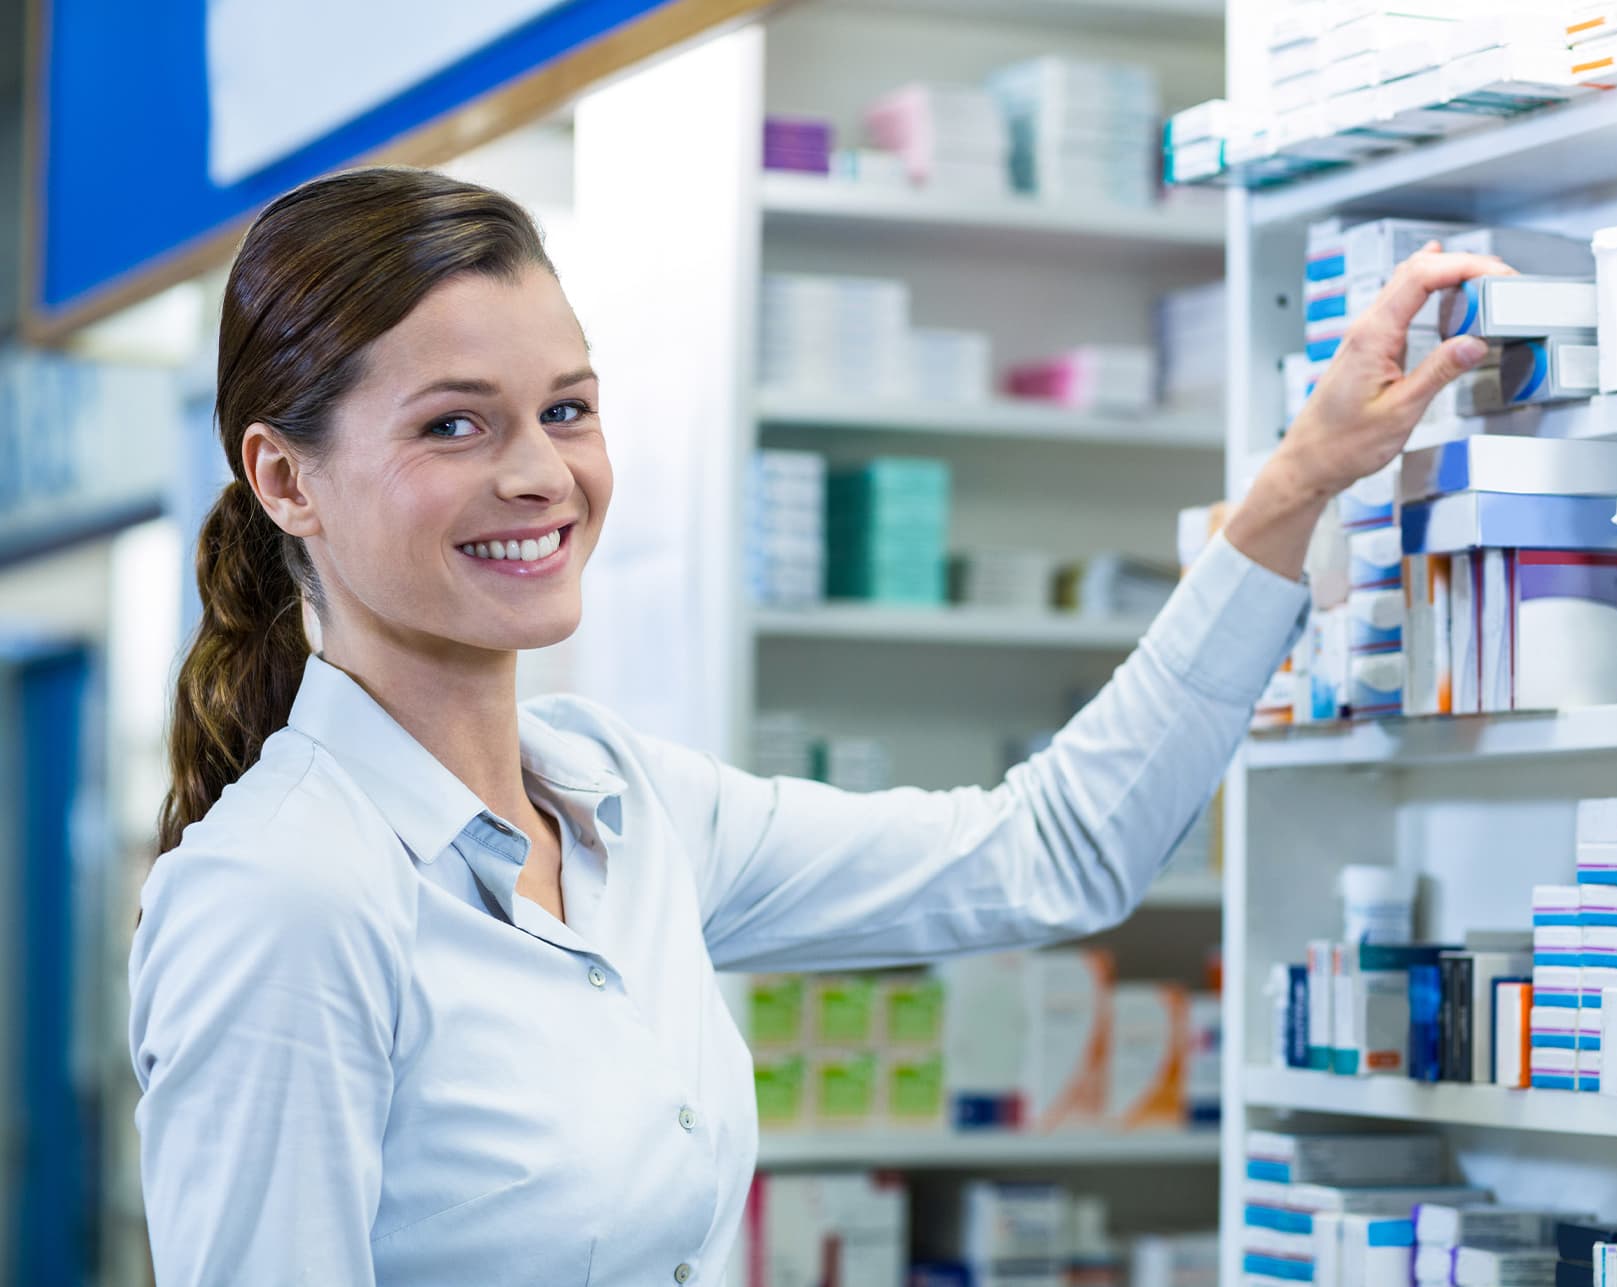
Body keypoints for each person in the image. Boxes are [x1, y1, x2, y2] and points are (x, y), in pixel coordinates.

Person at [127, 166, 1499, 1285]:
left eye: (566, 411)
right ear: (286, 478)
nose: (540, 474)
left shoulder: (626, 808)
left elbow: (1050, 852)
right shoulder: (284, 896)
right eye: (452, 427)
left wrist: (1300, 483)